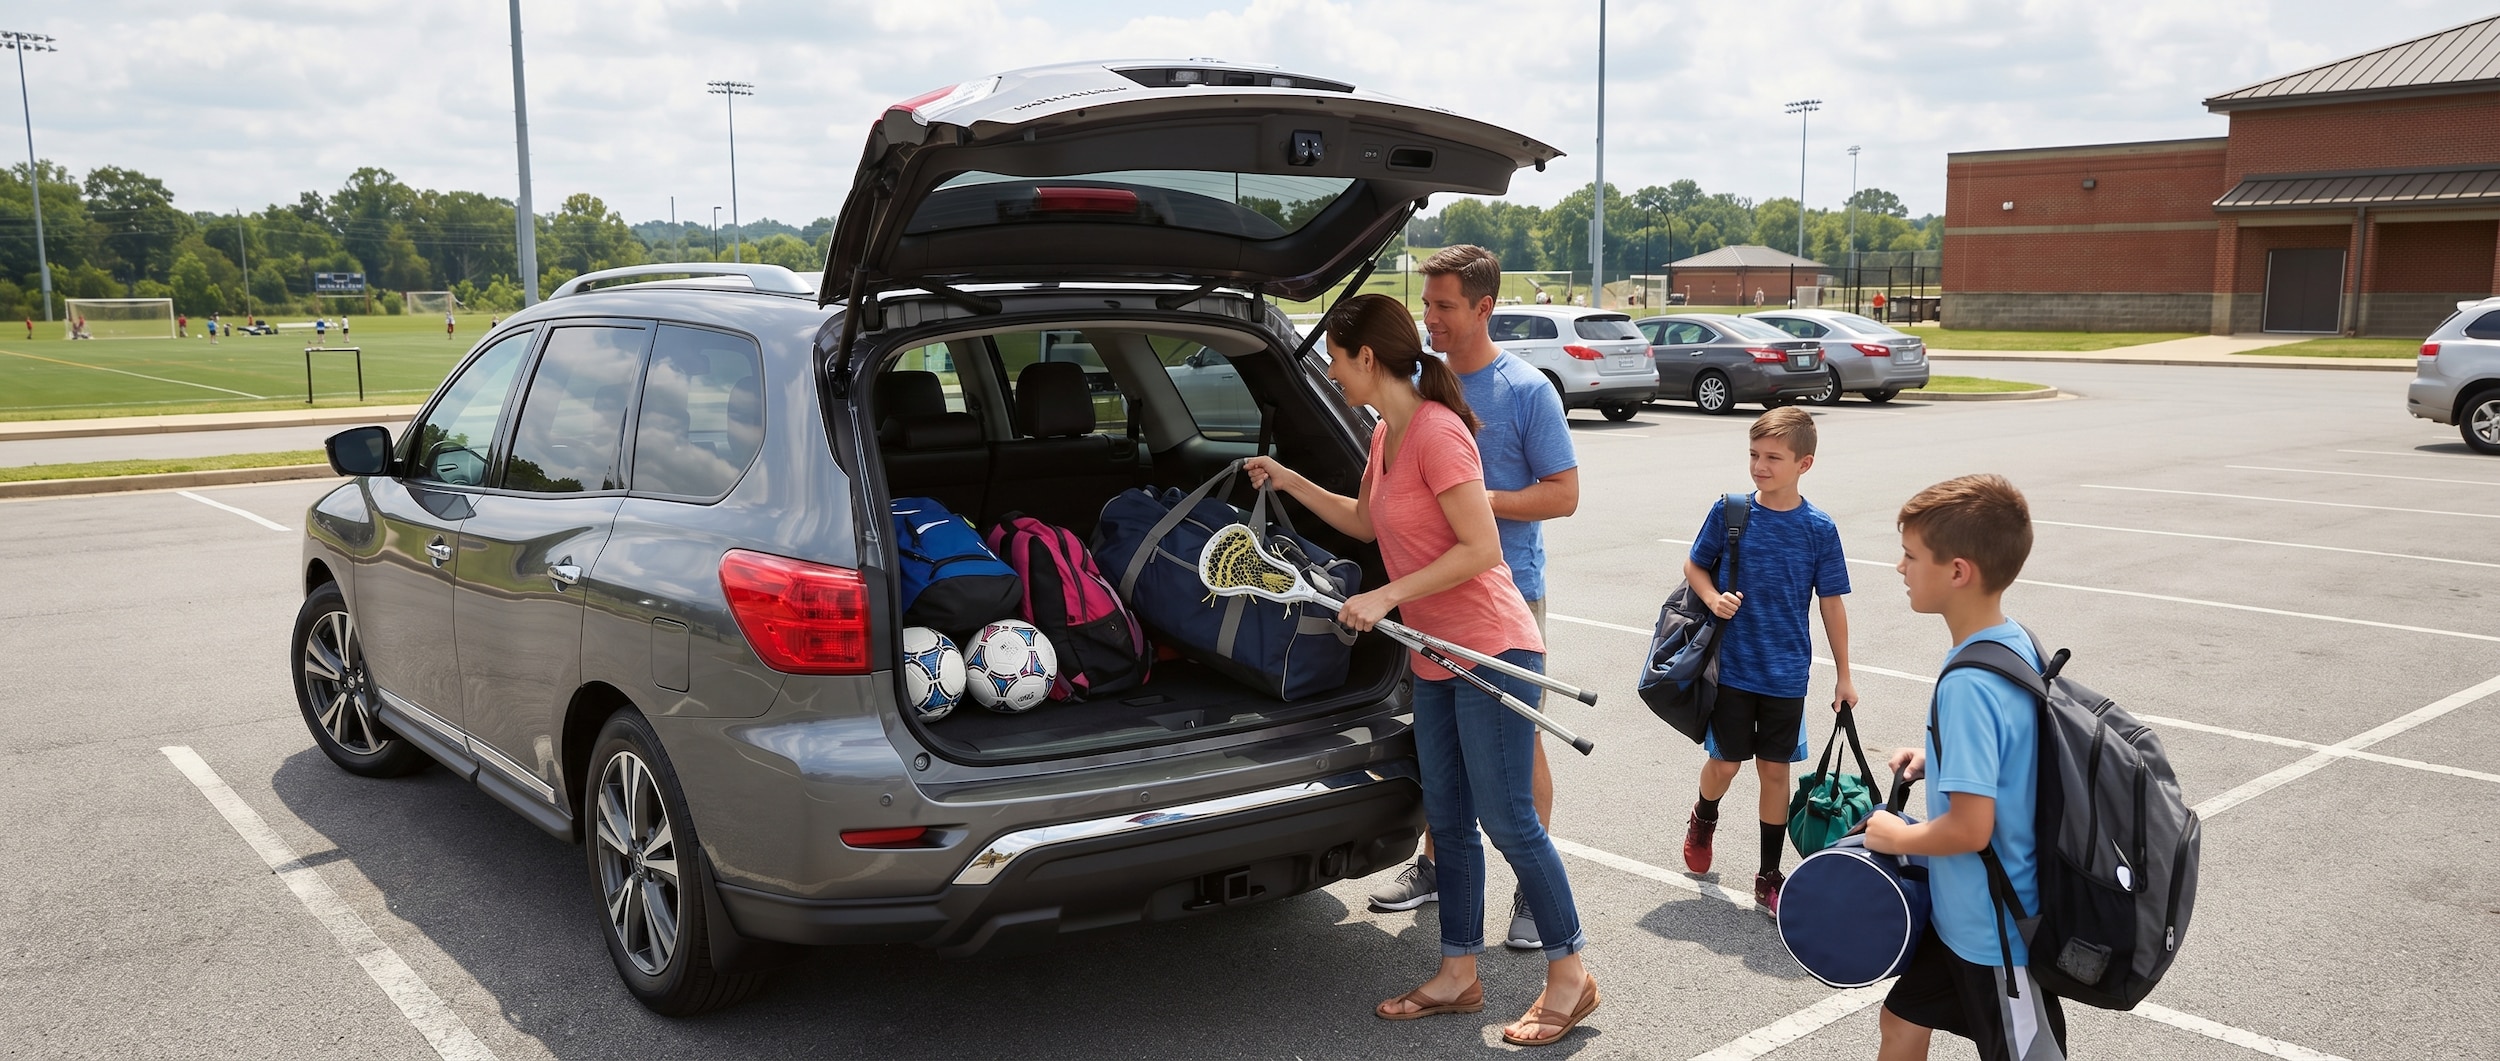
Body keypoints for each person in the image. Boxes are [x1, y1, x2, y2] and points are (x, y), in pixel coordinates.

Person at [1246, 293, 1595, 1047]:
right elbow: (1367, 521)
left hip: (1491, 649)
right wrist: (1287, 478)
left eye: (1336, 360)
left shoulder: (1439, 432)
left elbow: (1482, 549)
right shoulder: (1385, 434)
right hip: (1434, 655)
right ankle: (1457, 973)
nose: (1333, 374)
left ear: (1366, 357)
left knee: (1508, 818)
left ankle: (1571, 973)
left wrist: (1386, 595)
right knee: (1450, 816)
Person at [1369, 245, 1579, 955]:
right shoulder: (1419, 388)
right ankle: (1436, 867)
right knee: (1449, 769)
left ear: (1484, 308)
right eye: (1424, 305)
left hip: (1506, 594)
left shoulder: (1524, 390)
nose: (1431, 319)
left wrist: (1471, 503)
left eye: (1445, 306)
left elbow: (1564, 493)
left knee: (1517, 762)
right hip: (1434, 606)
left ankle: (1531, 893)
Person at [1863, 475, 2065, 1061]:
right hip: (1961, 917)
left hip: (1994, 934)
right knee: (1900, 1023)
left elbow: (1971, 830)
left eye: (1910, 554)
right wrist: (1940, 761)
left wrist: (1898, 835)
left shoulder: (1969, 685)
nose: (1899, 567)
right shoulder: (2010, 640)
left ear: (1957, 571)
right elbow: (2017, 747)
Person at [1678, 407, 1856, 917]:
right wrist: (1712, 598)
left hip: (1785, 672)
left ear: (1805, 463)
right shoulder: (1731, 511)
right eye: (1754, 455)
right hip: (1733, 667)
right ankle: (1704, 815)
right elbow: (1695, 564)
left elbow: (1831, 602)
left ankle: (1769, 873)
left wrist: (1845, 675)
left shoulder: (1818, 528)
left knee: (1774, 772)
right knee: (1726, 763)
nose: (1760, 466)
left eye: (1772, 457)